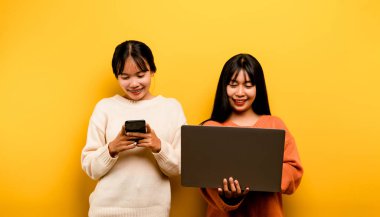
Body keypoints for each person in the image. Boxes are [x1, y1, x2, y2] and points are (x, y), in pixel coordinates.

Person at [81, 40, 186, 217]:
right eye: (125, 77)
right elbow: (90, 168)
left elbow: (180, 167)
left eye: (140, 74)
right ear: (117, 76)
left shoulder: (171, 108)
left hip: (155, 212)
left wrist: (159, 147)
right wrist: (112, 148)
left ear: (152, 71)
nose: (134, 83)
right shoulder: (105, 108)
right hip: (105, 211)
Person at [201, 53, 303, 217]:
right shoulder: (210, 128)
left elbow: (294, 171)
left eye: (248, 85)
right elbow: (205, 181)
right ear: (224, 87)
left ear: (258, 88)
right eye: (233, 84)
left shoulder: (275, 125)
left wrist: (262, 174)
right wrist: (230, 196)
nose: (240, 92)